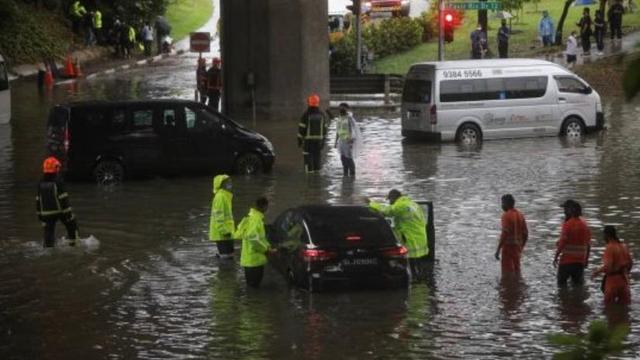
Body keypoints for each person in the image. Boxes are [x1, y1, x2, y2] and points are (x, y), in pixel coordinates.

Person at [368, 189, 428, 278]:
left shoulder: (401, 205)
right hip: (420, 239)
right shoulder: (413, 204)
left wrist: (371, 203)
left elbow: (387, 211)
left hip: (411, 240)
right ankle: (420, 279)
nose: (390, 202)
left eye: (390, 200)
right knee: (417, 264)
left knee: (410, 266)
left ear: (394, 198)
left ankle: (413, 281)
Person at [36, 157, 79, 248]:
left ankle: (48, 247)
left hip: (46, 214)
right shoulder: (58, 182)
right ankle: (74, 244)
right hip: (60, 211)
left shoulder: (40, 183)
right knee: (72, 225)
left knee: (48, 232)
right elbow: (64, 200)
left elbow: (38, 201)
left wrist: (40, 216)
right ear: (55, 169)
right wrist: (69, 215)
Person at [235, 197, 274, 288]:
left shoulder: (252, 217)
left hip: (249, 260)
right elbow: (253, 238)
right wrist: (265, 250)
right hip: (254, 261)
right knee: (254, 287)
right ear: (264, 206)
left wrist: (268, 247)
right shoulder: (257, 220)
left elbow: (259, 238)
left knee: (251, 287)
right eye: (267, 207)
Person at [553, 200, 592, 287]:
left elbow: (563, 242)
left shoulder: (567, 224)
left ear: (570, 210)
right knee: (578, 286)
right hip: (580, 262)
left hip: (566, 261)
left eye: (565, 209)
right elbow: (588, 244)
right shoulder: (585, 224)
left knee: (561, 286)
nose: (564, 211)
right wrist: (586, 260)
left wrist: (556, 256)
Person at [592, 225, 633, 305]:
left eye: (604, 235)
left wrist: (596, 272)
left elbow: (608, 266)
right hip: (624, 281)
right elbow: (630, 263)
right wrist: (625, 273)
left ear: (607, 235)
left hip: (612, 281)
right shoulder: (623, 246)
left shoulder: (610, 247)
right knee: (624, 311)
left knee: (608, 309)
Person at [494, 194, 528, 275]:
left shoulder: (506, 215)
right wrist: (521, 247)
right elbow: (526, 233)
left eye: (502, 203)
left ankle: (507, 286)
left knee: (507, 272)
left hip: (508, 249)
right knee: (517, 271)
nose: (501, 206)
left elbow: (505, 233)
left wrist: (498, 249)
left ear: (506, 203)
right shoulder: (520, 215)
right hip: (517, 248)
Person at [298, 94, 329, 173]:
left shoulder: (306, 115)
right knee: (317, 160)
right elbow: (325, 130)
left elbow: (301, 129)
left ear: (309, 103)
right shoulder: (322, 115)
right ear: (318, 103)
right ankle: (317, 181)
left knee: (308, 161)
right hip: (319, 142)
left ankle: (309, 181)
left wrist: (299, 141)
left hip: (308, 142)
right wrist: (323, 141)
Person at [209, 174, 235, 259]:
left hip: (227, 232)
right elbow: (218, 217)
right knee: (226, 258)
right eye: (227, 182)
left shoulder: (226, 196)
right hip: (223, 234)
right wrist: (224, 231)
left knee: (230, 256)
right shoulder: (221, 197)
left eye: (230, 181)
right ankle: (224, 270)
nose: (230, 183)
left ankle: (226, 270)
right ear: (221, 184)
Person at [334, 103, 361, 177]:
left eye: (343, 108)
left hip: (348, 141)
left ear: (346, 109)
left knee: (349, 158)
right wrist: (336, 141)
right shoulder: (339, 118)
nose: (340, 109)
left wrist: (351, 140)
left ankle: (352, 175)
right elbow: (338, 130)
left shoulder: (349, 118)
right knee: (343, 158)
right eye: (340, 108)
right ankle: (345, 174)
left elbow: (354, 130)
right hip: (341, 141)